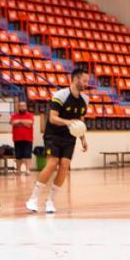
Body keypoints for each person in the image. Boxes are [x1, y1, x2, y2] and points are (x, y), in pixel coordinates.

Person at [26, 68, 90, 214]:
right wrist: (67, 122)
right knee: (52, 164)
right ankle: (33, 199)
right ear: (76, 79)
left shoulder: (85, 100)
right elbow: (52, 118)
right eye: (84, 80)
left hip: (69, 138)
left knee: (64, 166)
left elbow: (80, 121)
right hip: (53, 135)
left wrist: (83, 139)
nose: (87, 84)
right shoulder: (60, 95)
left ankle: (50, 201)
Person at [10, 100, 34, 175]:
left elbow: (30, 123)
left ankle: (27, 170)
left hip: (28, 138)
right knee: (18, 155)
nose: (22, 107)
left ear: (26, 107)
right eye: (20, 106)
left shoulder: (30, 115)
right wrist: (24, 123)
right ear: (18, 107)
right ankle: (18, 170)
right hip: (17, 138)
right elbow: (13, 123)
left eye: (23, 106)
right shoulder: (14, 116)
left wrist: (19, 122)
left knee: (28, 155)